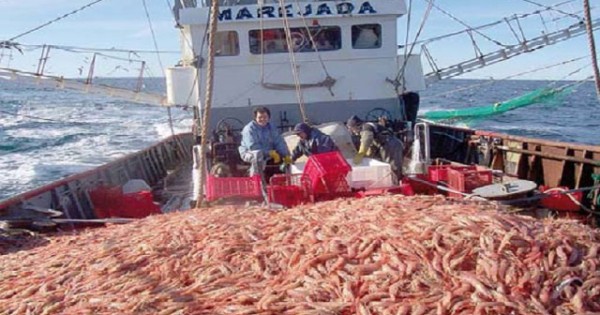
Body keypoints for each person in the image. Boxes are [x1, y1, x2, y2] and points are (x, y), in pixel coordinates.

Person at [239, 106, 291, 176]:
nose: (263, 119)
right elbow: (253, 147)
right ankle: (256, 179)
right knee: (257, 156)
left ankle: (277, 180)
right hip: (250, 153)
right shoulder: (249, 129)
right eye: (260, 117)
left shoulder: (271, 127)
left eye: (265, 117)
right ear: (255, 118)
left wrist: (285, 155)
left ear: (268, 117)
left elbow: (279, 141)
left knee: (281, 163)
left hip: (270, 152)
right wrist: (268, 153)